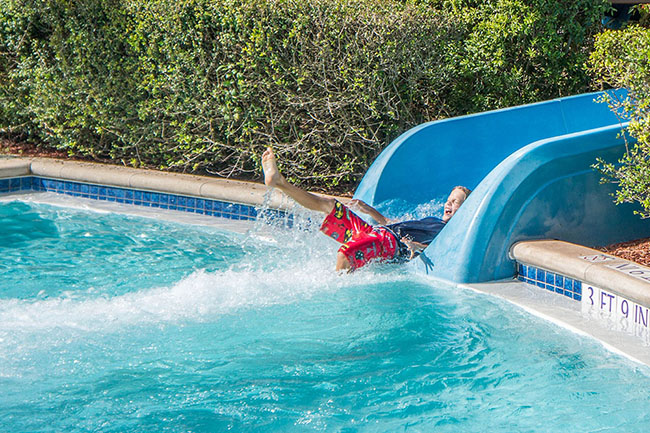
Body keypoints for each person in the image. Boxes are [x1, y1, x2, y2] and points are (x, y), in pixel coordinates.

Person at [262, 147, 470, 272]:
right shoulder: (432, 219)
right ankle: (280, 182)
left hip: (388, 244)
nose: (449, 205)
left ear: (466, 209)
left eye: (456, 202)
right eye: (449, 200)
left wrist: (414, 247)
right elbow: (390, 222)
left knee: (345, 254)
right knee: (330, 204)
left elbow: (439, 251)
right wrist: (369, 210)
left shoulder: (447, 232)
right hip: (377, 233)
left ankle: (337, 295)